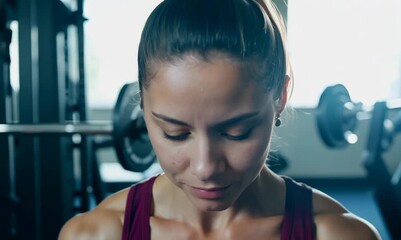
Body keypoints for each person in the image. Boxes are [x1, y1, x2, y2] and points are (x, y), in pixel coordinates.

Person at [59, 0, 382, 239]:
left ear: (280, 98)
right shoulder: (95, 234)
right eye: (175, 133)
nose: (205, 168)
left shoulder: (338, 234)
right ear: (142, 107)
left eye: (237, 132)